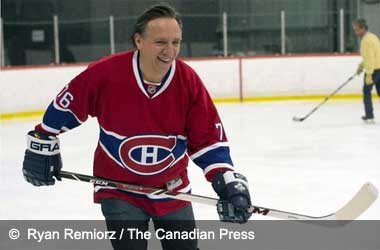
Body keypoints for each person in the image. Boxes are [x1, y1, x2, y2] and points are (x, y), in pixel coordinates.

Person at [22, 5, 252, 250]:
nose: (170, 51)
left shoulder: (188, 82)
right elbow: (66, 106)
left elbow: (207, 140)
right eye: (161, 42)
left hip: (172, 188)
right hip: (118, 188)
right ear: (139, 40)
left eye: (176, 42)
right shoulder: (106, 74)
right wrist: (43, 140)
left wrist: (226, 180)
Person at [352, 19, 380, 123]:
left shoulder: (365, 41)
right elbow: (373, 55)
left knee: (366, 92)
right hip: (378, 68)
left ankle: (369, 116)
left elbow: (370, 58)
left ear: (363, 28)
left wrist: (369, 74)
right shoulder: (373, 36)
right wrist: (361, 66)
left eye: (357, 30)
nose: (356, 32)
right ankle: (369, 115)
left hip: (373, 71)